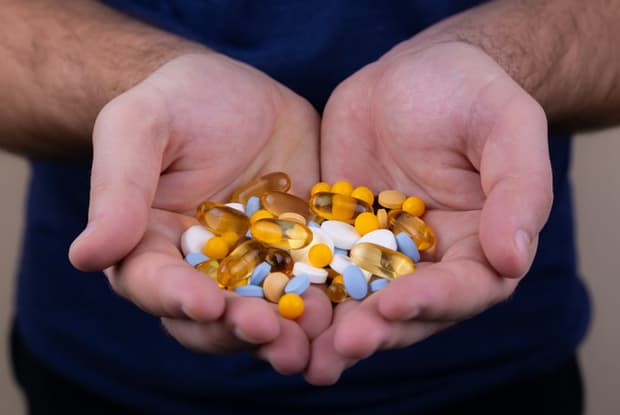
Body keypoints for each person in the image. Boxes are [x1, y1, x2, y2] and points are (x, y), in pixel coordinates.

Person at [2, 0, 607, 413]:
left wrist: (495, 55)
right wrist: (138, 79)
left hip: (499, 372)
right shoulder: (281, 243)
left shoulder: (357, 238)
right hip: (103, 369)